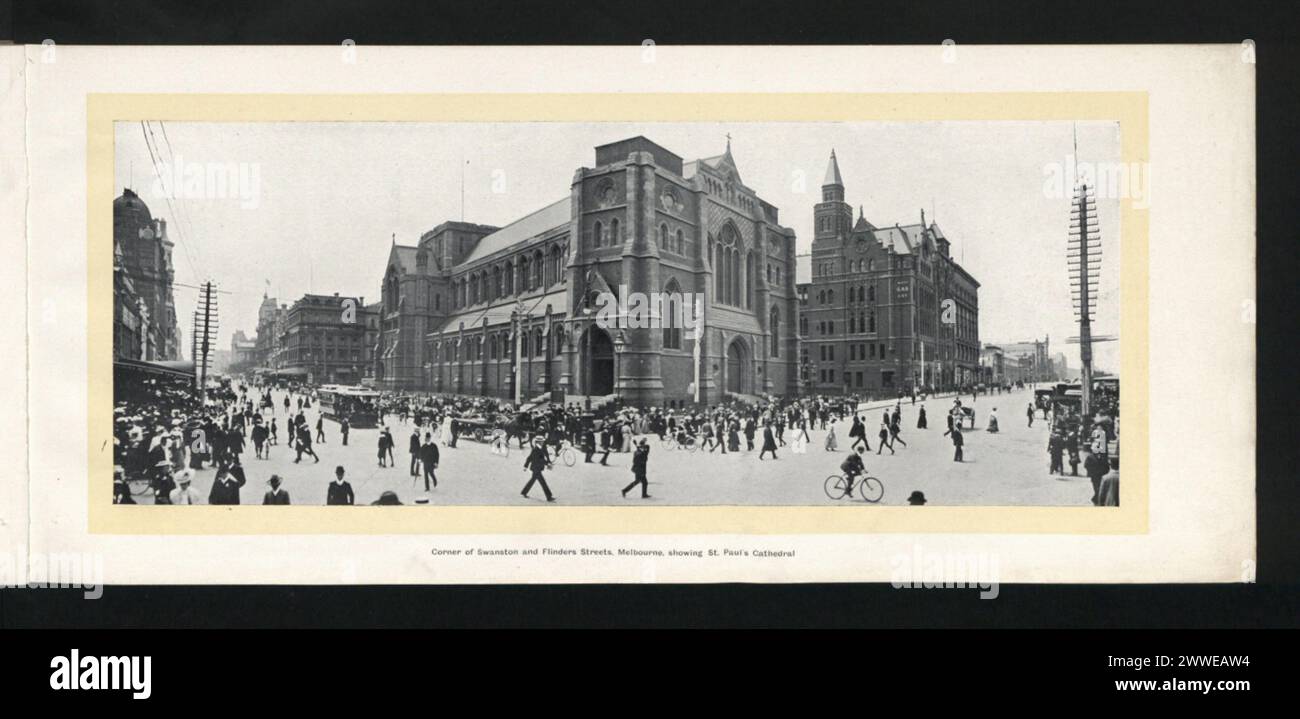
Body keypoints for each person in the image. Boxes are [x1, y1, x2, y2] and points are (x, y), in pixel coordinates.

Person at [521, 438, 556, 502]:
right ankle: (549, 497)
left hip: (536, 468)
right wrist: (547, 464)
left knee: (532, 481)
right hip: (536, 469)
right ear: (539, 442)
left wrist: (525, 466)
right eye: (542, 442)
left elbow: (530, 458)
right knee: (543, 483)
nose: (543, 443)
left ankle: (524, 492)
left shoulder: (539, 448)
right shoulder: (536, 450)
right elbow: (536, 459)